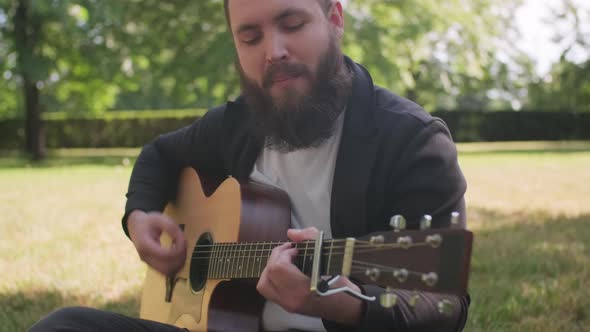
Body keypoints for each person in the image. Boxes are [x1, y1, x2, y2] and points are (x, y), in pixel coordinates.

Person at [30, 0, 469, 331]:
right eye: (250, 37)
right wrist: (139, 215)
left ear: (335, 18)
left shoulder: (413, 141)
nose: (273, 51)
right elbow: (159, 154)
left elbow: (443, 306)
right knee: (64, 325)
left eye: (292, 24)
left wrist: (337, 302)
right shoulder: (240, 123)